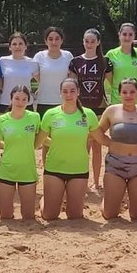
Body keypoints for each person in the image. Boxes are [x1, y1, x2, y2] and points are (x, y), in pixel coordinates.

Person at [96, 79, 137, 220]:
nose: (128, 95)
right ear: (119, 94)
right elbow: (98, 132)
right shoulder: (111, 111)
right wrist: (109, 143)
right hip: (115, 165)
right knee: (109, 214)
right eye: (124, 92)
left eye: (132, 92)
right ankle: (107, 201)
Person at [38, 79, 99, 220]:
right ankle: (44, 200)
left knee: (75, 216)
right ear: (60, 93)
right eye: (65, 91)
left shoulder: (88, 114)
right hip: (54, 169)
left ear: (78, 92)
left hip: (78, 169)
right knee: (49, 215)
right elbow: (38, 141)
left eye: (72, 91)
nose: (68, 94)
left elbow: (100, 138)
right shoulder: (50, 114)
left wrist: (121, 144)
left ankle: (61, 201)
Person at [0, 85, 43, 220]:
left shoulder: (35, 117)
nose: (20, 102)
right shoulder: (2, 120)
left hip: (27, 170)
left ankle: (43, 202)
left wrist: (59, 141)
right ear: (11, 100)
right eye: (17, 99)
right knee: (6, 216)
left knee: (28, 216)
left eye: (24, 99)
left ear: (28, 101)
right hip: (7, 170)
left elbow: (42, 138)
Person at [69, 28, 113, 187]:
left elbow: (113, 84)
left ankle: (96, 181)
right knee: (83, 147)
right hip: (81, 110)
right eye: (86, 41)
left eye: (92, 41)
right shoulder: (75, 62)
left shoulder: (105, 61)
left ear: (98, 42)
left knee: (97, 146)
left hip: (99, 108)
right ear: (83, 42)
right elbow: (72, 85)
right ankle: (82, 180)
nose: (89, 44)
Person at [33, 27, 74, 114]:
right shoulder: (39, 56)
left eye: (57, 39)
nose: (54, 42)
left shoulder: (68, 56)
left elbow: (72, 77)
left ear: (62, 41)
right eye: (50, 39)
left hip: (64, 101)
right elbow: (35, 74)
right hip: (44, 101)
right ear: (46, 41)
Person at [0, 32, 39, 113]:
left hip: (26, 104)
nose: (17, 46)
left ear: (25, 46)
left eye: (20, 44)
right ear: (10, 47)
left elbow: (41, 81)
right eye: (14, 44)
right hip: (6, 103)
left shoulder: (33, 62)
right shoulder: (2, 61)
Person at [106, 22, 137, 106]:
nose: (127, 37)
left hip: (136, 100)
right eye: (124, 34)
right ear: (119, 35)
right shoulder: (111, 54)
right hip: (117, 99)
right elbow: (110, 79)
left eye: (130, 34)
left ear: (134, 36)